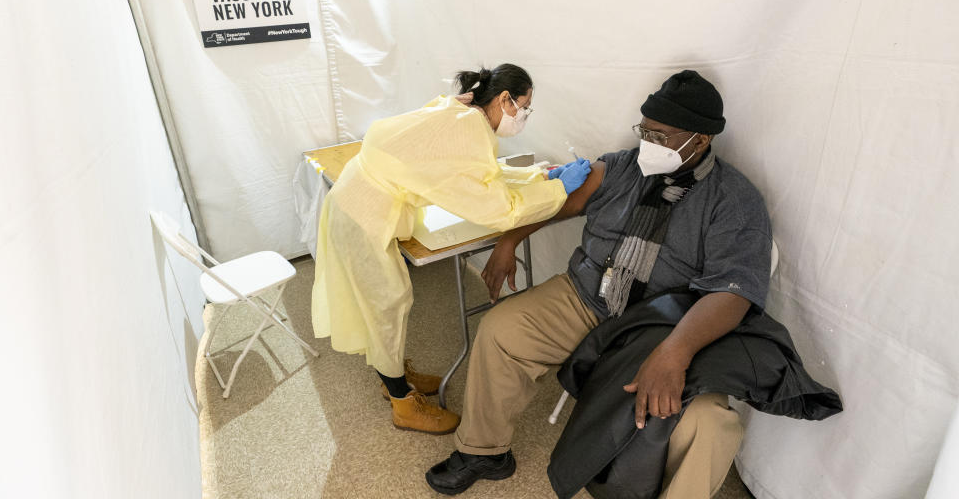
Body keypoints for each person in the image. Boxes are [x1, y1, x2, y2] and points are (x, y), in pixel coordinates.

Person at [427, 69, 773, 496]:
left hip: (662, 325)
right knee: (502, 330)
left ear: (699, 140)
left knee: (711, 423)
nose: (648, 143)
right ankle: (483, 452)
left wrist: (674, 352)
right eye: (645, 131)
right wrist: (508, 241)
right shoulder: (624, 166)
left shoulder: (734, 201)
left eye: (661, 137)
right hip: (587, 297)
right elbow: (561, 204)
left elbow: (732, 292)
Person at [311, 63, 593, 435]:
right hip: (362, 214)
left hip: (357, 198)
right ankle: (401, 403)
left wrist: (538, 176)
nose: (524, 116)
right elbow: (500, 209)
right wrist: (558, 190)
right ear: (505, 100)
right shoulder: (469, 132)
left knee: (382, 304)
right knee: (386, 304)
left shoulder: (461, 113)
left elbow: (483, 175)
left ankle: (392, 374)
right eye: (524, 107)